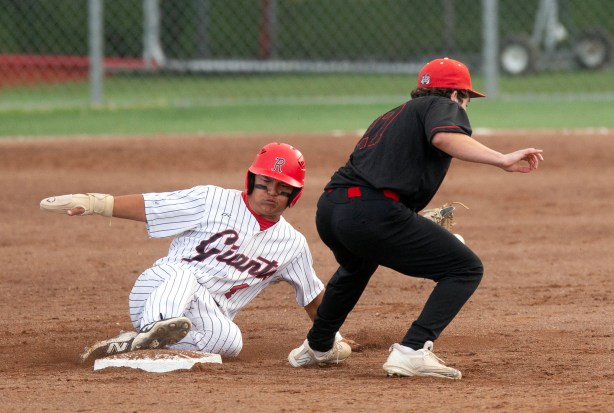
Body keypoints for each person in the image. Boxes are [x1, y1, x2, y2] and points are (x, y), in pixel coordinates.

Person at [288, 57, 544, 379]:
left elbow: (382, 175)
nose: (465, 107)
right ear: (454, 95)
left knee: (357, 265)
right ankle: (412, 350)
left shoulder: (392, 116)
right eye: (466, 99)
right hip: (371, 212)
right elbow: (444, 137)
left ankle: (318, 345)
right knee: (465, 268)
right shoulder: (443, 106)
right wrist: (501, 159)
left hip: (332, 209)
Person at [40, 142, 353, 363]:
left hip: (203, 314)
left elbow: (312, 295)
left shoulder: (291, 244)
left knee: (232, 340)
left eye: (281, 188)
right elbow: (154, 206)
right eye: (265, 183)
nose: (271, 193)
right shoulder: (211, 200)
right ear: (251, 180)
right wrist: (97, 204)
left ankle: (137, 345)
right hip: (160, 286)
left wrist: (330, 338)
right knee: (188, 274)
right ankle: (155, 327)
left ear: (293, 195)